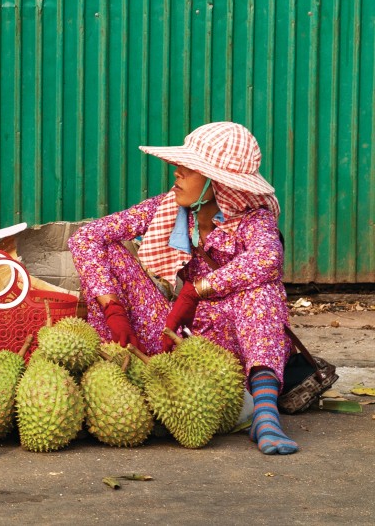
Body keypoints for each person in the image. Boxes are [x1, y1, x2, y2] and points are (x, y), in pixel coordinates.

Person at [67, 121, 298, 455]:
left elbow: (268, 260)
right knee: (107, 249)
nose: (176, 173)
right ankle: (117, 380)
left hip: (226, 352)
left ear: (217, 183)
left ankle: (265, 411)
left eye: (188, 170)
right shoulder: (167, 210)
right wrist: (113, 309)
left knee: (261, 290)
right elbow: (86, 237)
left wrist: (196, 291)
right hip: (174, 335)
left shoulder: (253, 221)